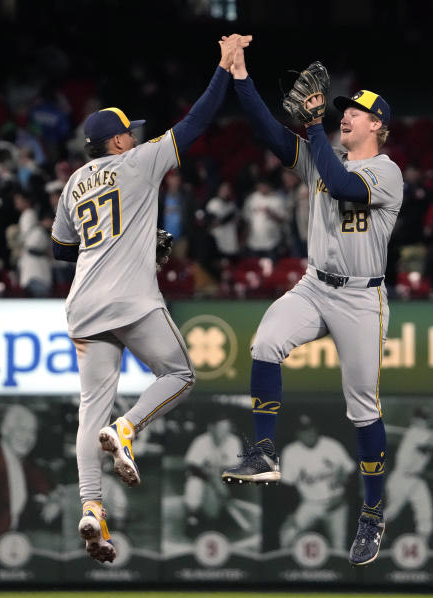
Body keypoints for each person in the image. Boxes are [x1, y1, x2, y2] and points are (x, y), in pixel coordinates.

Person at [50, 34, 250, 563]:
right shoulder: (138, 163)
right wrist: (223, 67)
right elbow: (197, 122)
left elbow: (61, 249)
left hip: (84, 305)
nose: (135, 137)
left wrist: (127, 241)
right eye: (129, 133)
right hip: (131, 300)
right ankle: (128, 427)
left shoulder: (72, 184)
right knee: (180, 375)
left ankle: (92, 508)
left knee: (88, 412)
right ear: (117, 142)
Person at [218, 41, 404, 566]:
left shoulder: (387, 173)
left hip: (362, 299)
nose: (347, 114)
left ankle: (371, 513)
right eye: (343, 109)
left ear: (378, 127)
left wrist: (316, 126)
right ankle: (264, 451)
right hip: (315, 286)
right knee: (266, 342)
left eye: (357, 112)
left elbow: (344, 186)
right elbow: (269, 132)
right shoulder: (323, 154)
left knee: (361, 407)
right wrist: (241, 77)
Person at [0, 404, 60, 551]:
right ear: (4, 430)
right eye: (21, 429)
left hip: (12, 544)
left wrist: (54, 501)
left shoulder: (24, 463)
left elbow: (48, 487)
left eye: (32, 432)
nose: (27, 437)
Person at [279, 415, 356, 549]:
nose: (309, 433)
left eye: (311, 429)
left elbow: (352, 473)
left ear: (316, 429)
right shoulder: (290, 452)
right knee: (287, 535)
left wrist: (344, 496)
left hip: (336, 505)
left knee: (339, 547)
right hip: (310, 505)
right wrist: (290, 514)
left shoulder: (332, 446)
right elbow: (287, 486)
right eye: (304, 431)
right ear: (297, 434)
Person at [382, 407, 433, 539]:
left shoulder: (419, 433)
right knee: (391, 513)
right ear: (414, 420)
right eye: (420, 419)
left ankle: (423, 544)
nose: (424, 422)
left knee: (425, 513)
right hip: (401, 479)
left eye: (426, 419)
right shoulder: (415, 434)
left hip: (417, 480)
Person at [182, 416, 244, 537]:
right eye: (221, 428)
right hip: (201, 478)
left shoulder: (234, 441)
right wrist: (212, 479)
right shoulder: (200, 441)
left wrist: (221, 482)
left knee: (213, 513)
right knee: (193, 485)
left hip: (223, 479)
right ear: (211, 428)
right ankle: (192, 518)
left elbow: (235, 468)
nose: (224, 433)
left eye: (227, 429)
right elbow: (192, 467)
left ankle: (221, 512)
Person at [241, 179, 288, 258]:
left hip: (272, 242)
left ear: (269, 186)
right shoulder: (252, 199)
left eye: (264, 186)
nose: (262, 188)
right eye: (260, 186)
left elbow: (283, 220)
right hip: (253, 242)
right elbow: (246, 219)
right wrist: (244, 237)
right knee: (255, 267)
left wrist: (272, 214)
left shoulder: (277, 199)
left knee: (271, 268)